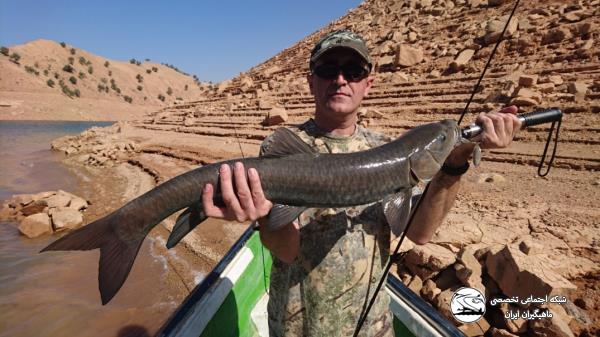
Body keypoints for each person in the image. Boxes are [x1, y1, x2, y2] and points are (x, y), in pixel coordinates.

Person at [201, 30, 521, 336]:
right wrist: (262, 215)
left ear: (368, 83)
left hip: (372, 328)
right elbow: (286, 251)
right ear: (311, 81)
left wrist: (454, 163)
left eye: (353, 71)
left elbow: (419, 233)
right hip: (297, 328)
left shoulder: (388, 149)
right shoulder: (281, 149)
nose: (340, 79)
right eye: (328, 69)